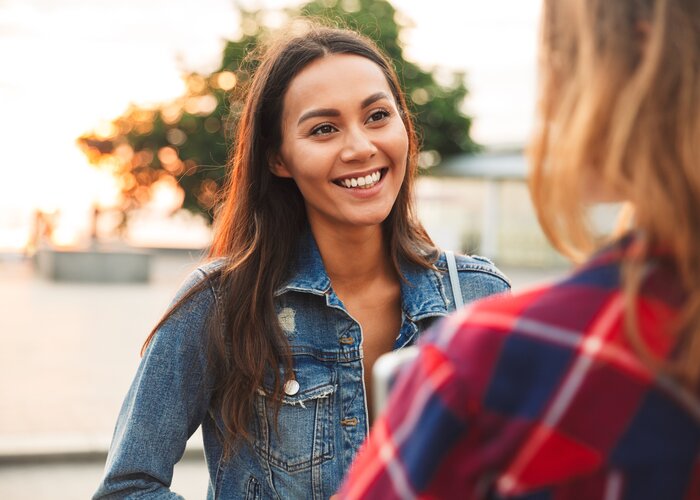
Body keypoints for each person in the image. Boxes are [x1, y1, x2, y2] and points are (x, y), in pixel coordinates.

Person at [93, 24, 510, 499]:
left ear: (404, 127)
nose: (360, 147)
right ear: (278, 158)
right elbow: (127, 487)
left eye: (377, 116)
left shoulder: (480, 298)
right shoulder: (220, 305)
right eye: (324, 129)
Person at [337, 0, 700, 498]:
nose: (547, 99)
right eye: (323, 128)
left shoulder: (492, 354)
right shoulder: (224, 299)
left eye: (557, 54)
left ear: (638, 67)